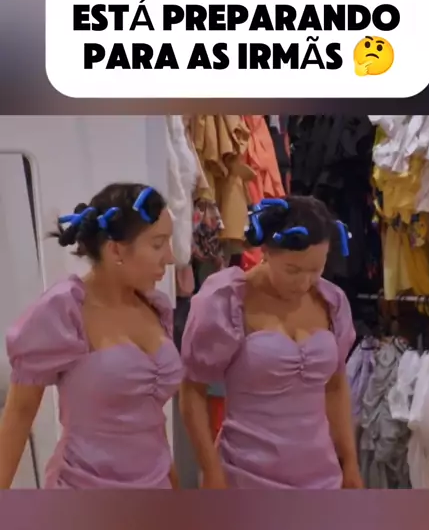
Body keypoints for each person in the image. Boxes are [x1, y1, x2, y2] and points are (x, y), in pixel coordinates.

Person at [0, 183, 182, 490]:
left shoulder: (155, 307)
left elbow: (150, 415)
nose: (170, 257)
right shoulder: (65, 310)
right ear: (115, 250)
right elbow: (19, 414)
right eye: (158, 244)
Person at [180, 196, 363, 490]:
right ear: (265, 250)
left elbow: (335, 386)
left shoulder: (331, 302)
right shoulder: (227, 300)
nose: (304, 282)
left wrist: (350, 461)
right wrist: (210, 469)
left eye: (316, 270)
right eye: (293, 270)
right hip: (245, 474)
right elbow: (193, 391)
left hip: (322, 475)